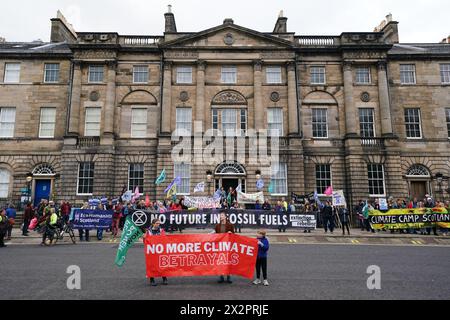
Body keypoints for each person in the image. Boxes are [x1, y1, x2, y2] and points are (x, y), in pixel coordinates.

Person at [146, 219, 168, 286]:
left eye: (159, 223)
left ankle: (164, 278)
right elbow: (146, 240)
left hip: (160, 250)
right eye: (157, 223)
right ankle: (152, 279)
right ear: (153, 224)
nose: (158, 224)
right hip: (152, 250)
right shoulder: (148, 231)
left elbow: (164, 238)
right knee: (151, 265)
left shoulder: (161, 230)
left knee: (162, 264)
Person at [215, 212, 235, 284]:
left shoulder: (230, 225)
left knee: (228, 261)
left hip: (228, 246)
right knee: (221, 261)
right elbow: (216, 235)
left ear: (225, 217)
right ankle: (221, 276)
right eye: (220, 216)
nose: (221, 217)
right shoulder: (217, 226)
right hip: (220, 246)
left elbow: (234, 234)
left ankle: (228, 276)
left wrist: (231, 233)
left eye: (222, 215)